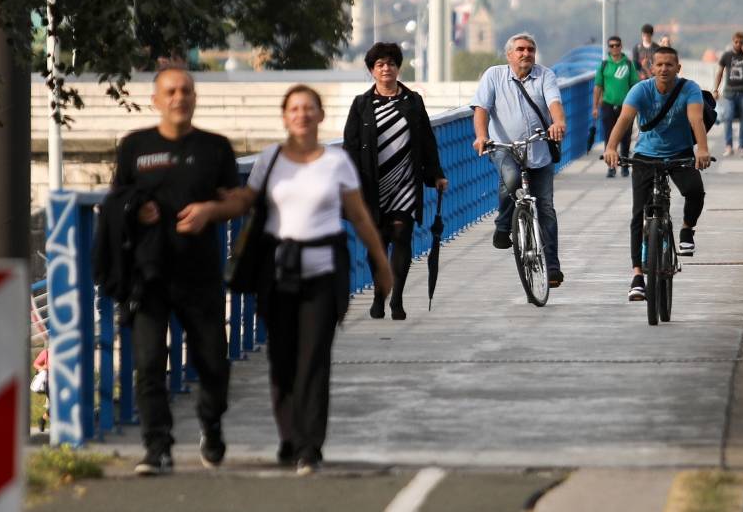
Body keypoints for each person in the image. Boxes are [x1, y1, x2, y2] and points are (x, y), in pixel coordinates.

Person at [231, 86, 391, 475]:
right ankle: (289, 435)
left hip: (323, 273)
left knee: (314, 359)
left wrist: (381, 262)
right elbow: (244, 203)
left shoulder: (336, 162)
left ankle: (309, 447)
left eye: (309, 109)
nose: (302, 115)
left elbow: (360, 215)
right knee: (282, 359)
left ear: (320, 116)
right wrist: (208, 207)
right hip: (277, 271)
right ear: (285, 116)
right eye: (294, 109)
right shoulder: (270, 159)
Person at [109, 68, 239, 476]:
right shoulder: (135, 147)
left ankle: (211, 423)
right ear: (156, 100)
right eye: (170, 91)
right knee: (148, 363)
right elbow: (115, 202)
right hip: (149, 275)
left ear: (195, 98)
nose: (178, 97)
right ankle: (157, 447)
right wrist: (135, 209)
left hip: (200, 274)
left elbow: (236, 201)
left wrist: (210, 212)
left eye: (185, 90)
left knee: (214, 363)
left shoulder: (215, 148)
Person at [343, 42, 447, 320]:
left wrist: (436, 174)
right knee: (377, 242)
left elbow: (426, 139)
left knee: (402, 236)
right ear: (371, 70)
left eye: (390, 63)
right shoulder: (361, 104)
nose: (386, 68)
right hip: (372, 183)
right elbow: (350, 147)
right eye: (380, 64)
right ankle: (380, 293)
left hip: (405, 180)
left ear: (398, 67)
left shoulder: (412, 101)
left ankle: (397, 299)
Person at [602, 46, 712, 303]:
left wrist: (703, 149)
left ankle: (687, 230)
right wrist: (610, 148)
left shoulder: (689, 89)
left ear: (678, 68)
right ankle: (637, 275)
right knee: (638, 213)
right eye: (659, 65)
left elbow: (696, 119)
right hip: (645, 156)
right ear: (652, 68)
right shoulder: (641, 90)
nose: (664, 69)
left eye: (669, 65)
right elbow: (625, 120)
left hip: (680, 154)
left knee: (695, 191)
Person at [472, 33, 567, 287]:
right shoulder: (494, 75)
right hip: (503, 146)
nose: (526, 54)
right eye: (521, 49)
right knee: (511, 179)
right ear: (509, 54)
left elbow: (554, 102)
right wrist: (481, 136)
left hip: (538, 147)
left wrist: (558, 122)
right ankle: (504, 225)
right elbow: (481, 108)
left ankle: (553, 267)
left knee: (545, 207)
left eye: (531, 49)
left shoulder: (545, 75)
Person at [592, 35, 640, 179]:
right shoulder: (604, 65)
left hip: (626, 106)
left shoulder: (628, 64)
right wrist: (595, 107)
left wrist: (637, 104)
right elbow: (598, 86)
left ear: (621, 46)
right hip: (607, 105)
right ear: (608, 48)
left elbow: (634, 84)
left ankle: (624, 165)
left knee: (626, 137)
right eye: (611, 46)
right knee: (609, 137)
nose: (615, 48)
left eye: (617, 45)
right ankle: (611, 167)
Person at [712, 31, 743, 156]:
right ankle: (728, 146)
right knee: (728, 118)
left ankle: (741, 147)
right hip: (729, 93)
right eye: (736, 42)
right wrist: (716, 89)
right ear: (733, 41)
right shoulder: (727, 56)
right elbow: (720, 73)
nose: (738, 44)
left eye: (741, 42)